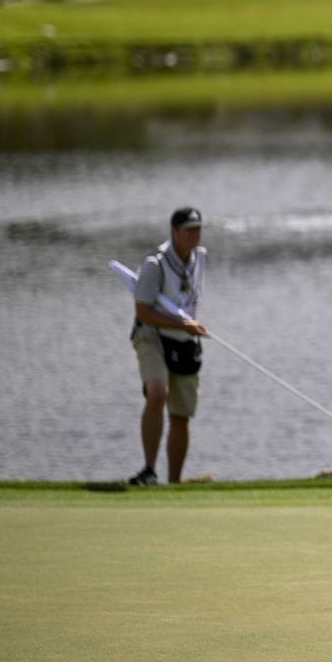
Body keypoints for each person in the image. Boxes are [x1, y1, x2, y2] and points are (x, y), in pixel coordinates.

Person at [128, 207, 211, 485]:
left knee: (181, 415)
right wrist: (182, 325)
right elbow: (143, 311)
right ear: (174, 232)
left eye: (197, 229)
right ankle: (149, 471)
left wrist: (187, 329)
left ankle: (174, 483)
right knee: (158, 392)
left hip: (185, 340)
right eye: (188, 230)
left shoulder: (200, 258)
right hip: (151, 335)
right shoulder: (155, 264)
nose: (194, 235)